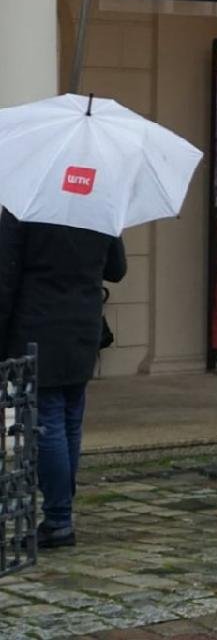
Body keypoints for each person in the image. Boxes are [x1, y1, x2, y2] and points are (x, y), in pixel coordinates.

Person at [0, 210, 127, 548]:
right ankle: (61, 513)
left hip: (35, 328)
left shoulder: (24, 206)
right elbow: (117, 270)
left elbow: (5, 275)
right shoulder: (102, 204)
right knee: (69, 420)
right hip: (83, 327)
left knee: (49, 423)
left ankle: (58, 518)